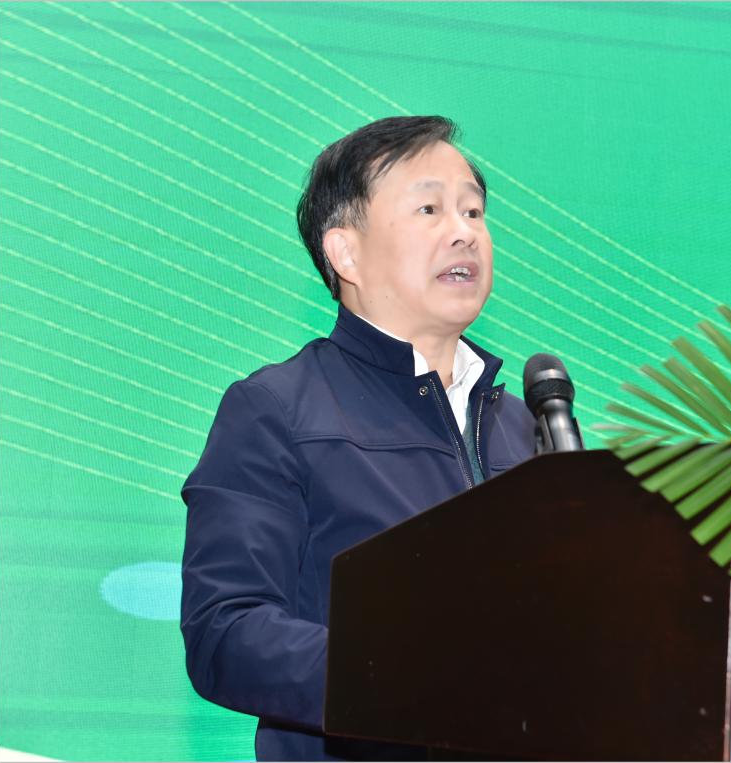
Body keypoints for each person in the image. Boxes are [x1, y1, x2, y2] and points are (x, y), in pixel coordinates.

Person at [180, 116, 537, 761]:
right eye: (429, 209)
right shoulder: (277, 410)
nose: (464, 232)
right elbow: (226, 631)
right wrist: (409, 676)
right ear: (345, 253)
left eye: (473, 212)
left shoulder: (531, 428)